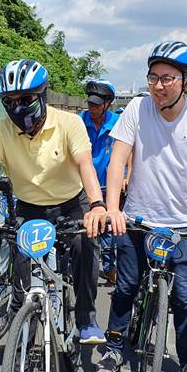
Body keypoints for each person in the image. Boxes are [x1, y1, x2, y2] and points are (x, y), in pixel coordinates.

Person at [97, 41, 187, 372]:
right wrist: (113, 208)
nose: (158, 86)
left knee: (184, 301)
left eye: (167, 78)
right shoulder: (137, 109)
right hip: (137, 219)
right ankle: (114, 345)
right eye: (153, 77)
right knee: (125, 287)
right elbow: (117, 162)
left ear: (186, 81)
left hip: (181, 225)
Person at [0, 59, 108, 347]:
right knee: (22, 278)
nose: (18, 107)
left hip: (71, 204)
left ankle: (87, 317)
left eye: (26, 99)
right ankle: (18, 362)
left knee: (86, 245)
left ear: (42, 96)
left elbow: (85, 165)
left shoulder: (69, 123)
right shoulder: (0, 130)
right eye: (10, 101)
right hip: (29, 208)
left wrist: (98, 205)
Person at [80, 79, 121, 284]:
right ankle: (84, 267)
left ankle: (110, 266)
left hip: (108, 184)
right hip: (83, 186)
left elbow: (128, 152)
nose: (92, 108)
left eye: (97, 104)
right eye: (90, 103)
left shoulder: (118, 123)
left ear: (107, 104)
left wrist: (126, 175)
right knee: (83, 227)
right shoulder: (78, 121)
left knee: (110, 229)